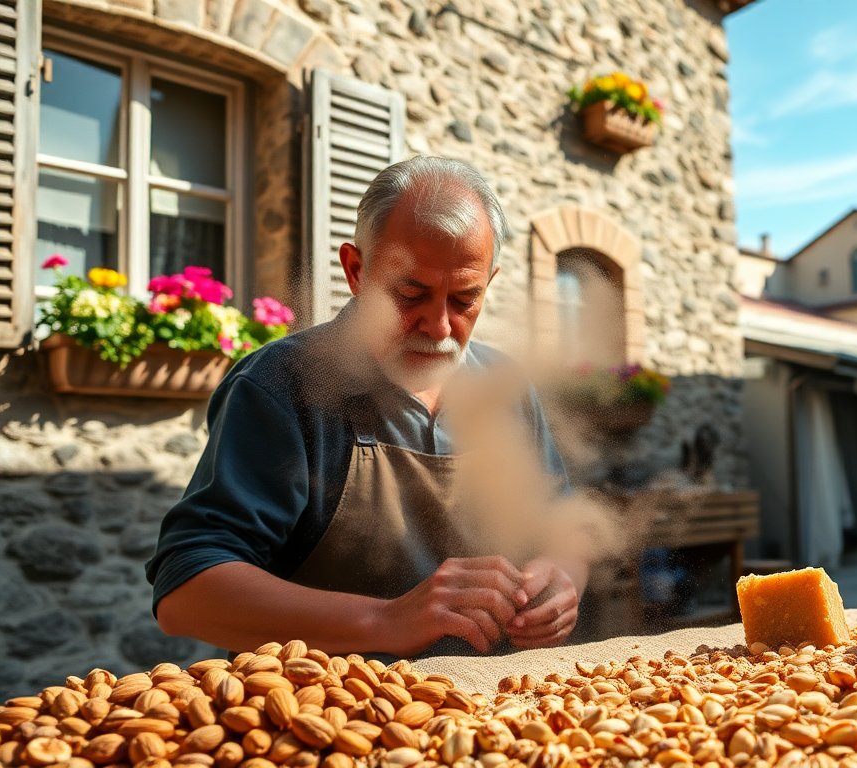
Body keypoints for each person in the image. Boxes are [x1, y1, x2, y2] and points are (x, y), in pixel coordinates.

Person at [147, 157, 585, 657]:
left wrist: (565, 574)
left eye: (465, 299)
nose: (439, 326)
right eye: (410, 293)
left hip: (494, 710)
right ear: (357, 270)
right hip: (325, 716)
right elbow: (186, 591)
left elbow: (562, 522)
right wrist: (385, 620)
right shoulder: (282, 386)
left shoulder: (505, 387)